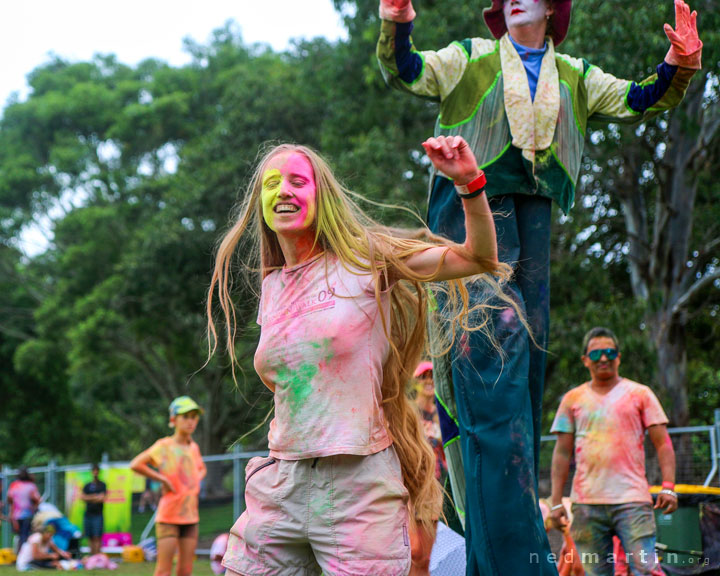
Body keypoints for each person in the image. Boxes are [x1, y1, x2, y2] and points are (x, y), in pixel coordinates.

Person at [376, 0, 702, 573]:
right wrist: (397, 23)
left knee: (521, 388)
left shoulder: (574, 74)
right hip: (468, 210)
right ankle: (515, 563)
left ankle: (495, 553)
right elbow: (408, 71)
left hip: (532, 217)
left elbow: (636, 98)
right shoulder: (471, 58)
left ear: (552, 8)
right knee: (492, 378)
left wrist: (678, 64)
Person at [207, 135, 517, 576]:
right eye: (272, 184)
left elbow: (478, 257)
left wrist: (469, 182)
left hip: (356, 484)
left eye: (298, 181)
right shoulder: (273, 286)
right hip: (282, 481)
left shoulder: (365, 260)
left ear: (322, 195)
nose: (283, 192)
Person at [549, 327, 678, 576]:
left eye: (609, 352)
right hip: (587, 505)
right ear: (585, 360)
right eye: (596, 354)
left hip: (633, 501)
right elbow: (562, 453)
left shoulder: (640, 394)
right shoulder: (572, 399)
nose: (604, 359)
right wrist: (555, 503)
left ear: (618, 357)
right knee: (595, 573)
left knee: (646, 569)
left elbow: (663, 443)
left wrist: (669, 486)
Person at [130, 396, 207, 576]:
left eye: (194, 416)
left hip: (191, 517)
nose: (191, 421)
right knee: (163, 571)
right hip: (169, 517)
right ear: (173, 420)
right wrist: (163, 479)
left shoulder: (194, 447)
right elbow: (136, 464)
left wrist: (196, 481)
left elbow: (201, 468)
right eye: (185, 416)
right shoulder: (164, 446)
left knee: (185, 571)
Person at [6, 467, 41, 552]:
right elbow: (37, 499)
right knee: (25, 535)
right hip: (27, 514)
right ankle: (23, 554)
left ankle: (20, 553)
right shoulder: (31, 486)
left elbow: (9, 499)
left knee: (20, 535)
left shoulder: (14, 485)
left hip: (16, 514)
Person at [81, 463, 106, 556]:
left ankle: (97, 556)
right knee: (90, 536)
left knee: (97, 536)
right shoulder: (87, 485)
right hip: (88, 514)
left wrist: (90, 498)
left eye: (97, 470)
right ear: (91, 472)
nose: (95, 472)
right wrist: (95, 497)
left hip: (98, 514)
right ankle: (92, 556)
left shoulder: (102, 485)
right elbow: (83, 497)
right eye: (94, 470)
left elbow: (102, 498)